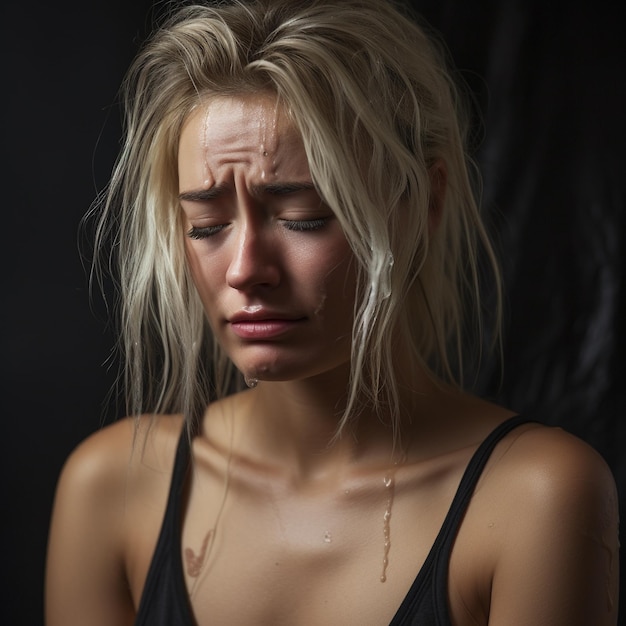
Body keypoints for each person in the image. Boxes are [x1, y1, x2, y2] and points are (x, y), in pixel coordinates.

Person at [45, 0, 619, 624]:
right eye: (207, 226)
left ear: (424, 202)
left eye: (303, 218)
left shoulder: (535, 496)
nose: (245, 269)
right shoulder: (112, 486)